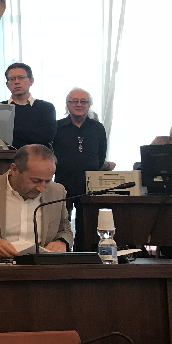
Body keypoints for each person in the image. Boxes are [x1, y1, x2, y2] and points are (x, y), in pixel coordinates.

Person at [0, 144, 72, 259]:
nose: (42, 188)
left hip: (41, 265)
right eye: (35, 181)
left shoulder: (57, 192)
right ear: (14, 169)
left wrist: (61, 242)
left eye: (47, 181)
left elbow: (65, 230)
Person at [53, 88, 112, 248]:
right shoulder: (57, 127)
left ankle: (83, 256)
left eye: (83, 101)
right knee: (61, 226)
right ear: (67, 105)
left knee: (86, 226)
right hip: (63, 184)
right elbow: (50, 155)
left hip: (89, 186)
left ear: (89, 105)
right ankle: (62, 254)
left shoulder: (98, 128)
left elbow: (101, 156)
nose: (79, 104)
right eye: (74, 101)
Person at [3, 63, 57, 149]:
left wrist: (12, 131)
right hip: (6, 156)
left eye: (21, 77)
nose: (16, 82)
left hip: (37, 155)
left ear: (31, 81)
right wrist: (31, 133)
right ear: (7, 84)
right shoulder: (0, 108)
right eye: (12, 79)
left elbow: (46, 137)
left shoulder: (46, 108)